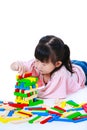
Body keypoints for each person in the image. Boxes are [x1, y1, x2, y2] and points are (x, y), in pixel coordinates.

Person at [10, 35, 87, 99]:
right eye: (37, 60)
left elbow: (50, 93)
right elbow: (23, 64)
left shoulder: (60, 74)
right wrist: (16, 65)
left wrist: (30, 92)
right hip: (70, 64)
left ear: (57, 64)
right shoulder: (38, 64)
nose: (38, 66)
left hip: (83, 71)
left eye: (43, 64)